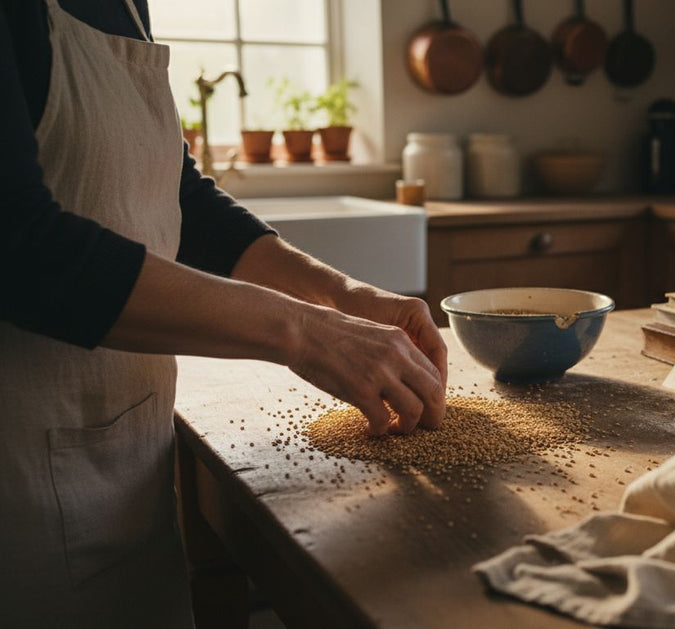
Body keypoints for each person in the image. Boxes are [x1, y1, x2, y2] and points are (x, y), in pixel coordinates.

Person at [0, 1, 447, 626]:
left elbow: (182, 197)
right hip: (20, 497)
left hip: (121, 466)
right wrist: (304, 332)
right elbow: (22, 249)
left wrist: (344, 295)